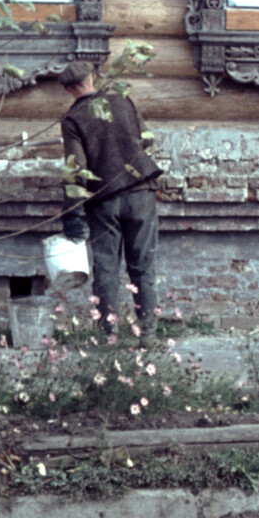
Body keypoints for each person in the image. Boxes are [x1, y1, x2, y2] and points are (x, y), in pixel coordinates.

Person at [57, 60, 163, 338]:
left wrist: (71, 213)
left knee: (106, 270)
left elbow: (76, 168)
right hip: (141, 191)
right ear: (93, 77)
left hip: (104, 201)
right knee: (143, 268)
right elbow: (147, 140)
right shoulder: (122, 100)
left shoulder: (73, 119)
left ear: (68, 89)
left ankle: (107, 337)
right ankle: (148, 336)